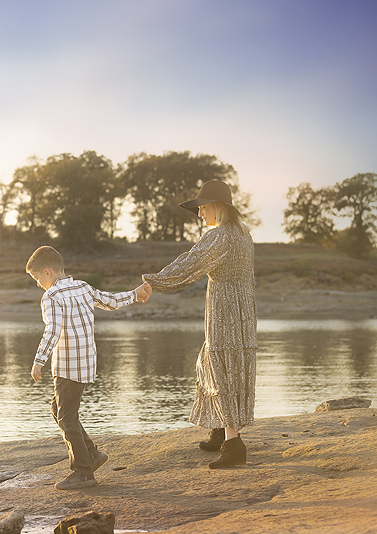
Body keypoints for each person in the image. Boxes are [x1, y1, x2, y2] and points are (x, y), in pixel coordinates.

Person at [142, 180, 256, 469]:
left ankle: (234, 444)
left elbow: (190, 263)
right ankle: (220, 428)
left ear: (219, 207)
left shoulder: (220, 237)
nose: (200, 213)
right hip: (242, 306)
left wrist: (155, 281)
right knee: (211, 362)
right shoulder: (243, 234)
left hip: (225, 308)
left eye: (203, 207)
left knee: (222, 370)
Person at [26, 245, 151, 490]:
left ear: (47, 272)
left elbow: (52, 330)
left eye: (37, 278)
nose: (38, 284)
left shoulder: (51, 296)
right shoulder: (83, 287)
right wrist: (135, 294)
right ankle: (92, 455)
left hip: (67, 366)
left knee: (66, 418)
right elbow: (111, 301)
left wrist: (39, 360)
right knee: (59, 409)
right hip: (86, 363)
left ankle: (83, 473)